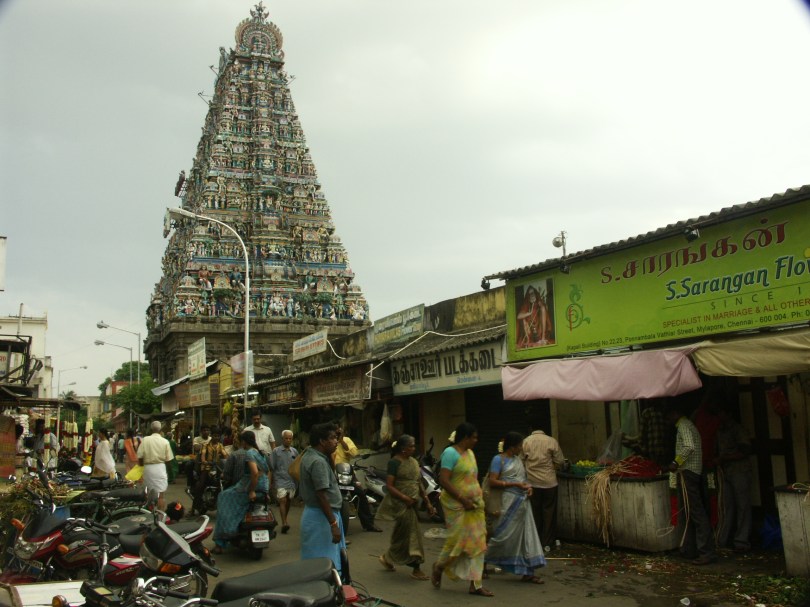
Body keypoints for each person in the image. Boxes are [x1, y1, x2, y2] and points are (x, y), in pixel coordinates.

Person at [431, 422, 492, 597]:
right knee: (456, 541)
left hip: (475, 506)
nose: (476, 440)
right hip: (456, 506)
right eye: (474, 437)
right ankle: (439, 567)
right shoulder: (450, 453)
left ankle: (476, 585)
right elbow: (444, 480)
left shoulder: (470, 454)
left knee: (478, 543)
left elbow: (472, 478)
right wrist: (462, 499)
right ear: (465, 437)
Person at [485, 432, 546, 584]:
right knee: (501, 537)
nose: (521, 449)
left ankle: (528, 572)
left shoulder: (517, 460)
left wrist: (528, 487)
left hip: (522, 504)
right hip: (507, 503)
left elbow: (523, 479)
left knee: (526, 537)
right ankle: (482, 562)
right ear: (512, 447)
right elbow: (492, 481)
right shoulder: (498, 460)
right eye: (519, 446)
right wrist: (514, 484)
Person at [377, 434, 434, 581]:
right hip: (401, 505)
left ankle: (388, 558)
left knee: (401, 536)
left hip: (413, 504)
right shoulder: (394, 463)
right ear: (403, 449)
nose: (414, 448)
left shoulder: (414, 462)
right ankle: (416, 568)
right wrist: (405, 498)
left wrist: (427, 502)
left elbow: (418, 482)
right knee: (413, 535)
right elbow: (390, 486)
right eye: (411, 446)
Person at [665, 406, 717, 565]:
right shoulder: (687, 425)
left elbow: (689, 446)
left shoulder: (684, 425)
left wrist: (676, 462)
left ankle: (706, 552)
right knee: (688, 512)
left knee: (696, 511)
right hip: (691, 471)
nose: (668, 420)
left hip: (689, 472)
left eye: (669, 416)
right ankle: (689, 549)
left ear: (676, 413)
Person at [299, 422, 346, 576]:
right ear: (322, 441)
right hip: (322, 518)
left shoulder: (313, 456)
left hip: (316, 515)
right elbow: (321, 495)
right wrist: (333, 524)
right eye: (332, 438)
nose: (336, 441)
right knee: (323, 565)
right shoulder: (318, 462)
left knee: (317, 561)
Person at [212, 430, 270, 554]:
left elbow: (254, 473)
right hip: (262, 488)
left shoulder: (249, 453)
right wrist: (266, 490)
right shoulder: (260, 453)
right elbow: (267, 472)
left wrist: (252, 491)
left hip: (249, 487)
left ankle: (223, 537)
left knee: (222, 496)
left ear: (243, 442)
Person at [522, 418, 565, 551]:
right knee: (549, 512)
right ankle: (547, 542)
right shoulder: (551, 441)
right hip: (549, 482)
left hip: (532, 483)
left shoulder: (526, 442)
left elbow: (520, 460)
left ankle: (535, 541)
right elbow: (560, 461)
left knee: (535, 512)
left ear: (531, 428)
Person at [715, 404, 752, 553]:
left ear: (728, 413)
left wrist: (724, 458)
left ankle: (741, 541)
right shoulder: (720, 430)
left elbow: (745, 451)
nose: (719, 416)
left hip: (739, 470)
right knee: (726, 506)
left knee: (743, 505)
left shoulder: (738, 429)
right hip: (726, 471)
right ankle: (722, 539)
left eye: (721, 413)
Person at [334, 424, 381, 532]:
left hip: (347, 473)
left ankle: (369, 524)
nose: (337, 432)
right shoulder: (328, 441)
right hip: (332, 474)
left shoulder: (346, 440)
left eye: (338, 430)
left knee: (361, 495)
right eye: (335, 430)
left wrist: (342, 441)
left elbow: (354, 453)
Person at [137, 421, 174, 511]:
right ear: (160, 430)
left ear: (151, 429)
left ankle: (150, 514)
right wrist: (169, 473)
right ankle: (160, 516)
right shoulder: (165, 441)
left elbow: (140, 457)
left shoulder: (145, 440)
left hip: (148, 469)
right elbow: (168, 460)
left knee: (148, 494)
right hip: (160, 469)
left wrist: (141, 469)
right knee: (161, 496)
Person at [191, 429, 228, 515]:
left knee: (223, 483)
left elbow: (225, 455)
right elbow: (203, 456)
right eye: (215, 436)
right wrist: (204, 461)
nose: (216, 438)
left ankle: (215, 500)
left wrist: (229, 460)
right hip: (206, 468)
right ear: (212, 436)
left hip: (217, 468)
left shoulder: (220, 445)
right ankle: (194, 507)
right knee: (200, 485)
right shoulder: (205, 445)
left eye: (218, 436)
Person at [269, 430, 298, 534]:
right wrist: (270, 482)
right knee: (282, 500)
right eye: (286, 438)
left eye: (290, 438)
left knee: (288, 501)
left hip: (291, 480)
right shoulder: (276, 451)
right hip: (280, 479)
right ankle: (284, 523)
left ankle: (285, 519)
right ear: (282, 439)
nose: (288, 440)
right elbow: (271, 467)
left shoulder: (294, 452)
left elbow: (297, 466)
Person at [186, 426, 212, 491]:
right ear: (201, 432)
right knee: (188, 465)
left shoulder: (211, 439)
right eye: (204, 430)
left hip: (210, 458)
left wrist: (202, 445)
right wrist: (206, 446)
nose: (206, 432)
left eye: (207, 430)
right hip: (198, 458)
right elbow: (196, 448)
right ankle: (190, 484)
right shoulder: (196, 439)